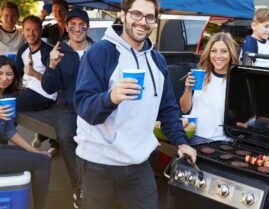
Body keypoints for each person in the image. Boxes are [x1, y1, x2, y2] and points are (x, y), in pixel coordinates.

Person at [73, 0, 197, 208]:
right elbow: (84, 107)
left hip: (138, 164)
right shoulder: (100, 53)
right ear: (123, 15)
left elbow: (167, 110)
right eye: (136, 14)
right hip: (98, 163)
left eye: (149, 17)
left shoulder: (157, 61)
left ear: (155, 21)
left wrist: (181, 142)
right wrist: (111, 97)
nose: (143, 22)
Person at [41, 8, 93, 209]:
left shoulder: (97, 50)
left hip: (92, 106)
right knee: (64, 136)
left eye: (82, 25)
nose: (77, 29)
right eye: (73, 25)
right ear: (67, 27)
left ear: (88, 27)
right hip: (67, 107)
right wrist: (52, 65)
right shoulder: (59, 51)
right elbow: (49, 87)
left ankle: (99, 183)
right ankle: (80, 187)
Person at [0, 55, 51, 209]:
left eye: (9, 74)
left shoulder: (5, 97)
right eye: (0, 73)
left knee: (42, 158)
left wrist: (35, 151)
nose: (4, 78)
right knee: (42, 164)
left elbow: (10, 133)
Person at [180, 32, 238, 143]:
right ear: (208, 53)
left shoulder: (235, 81)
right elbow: (184, 109)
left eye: (224, 51)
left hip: (219, 141)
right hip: (193, 136)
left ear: (231, 54)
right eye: (214, 51)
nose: (218, 56)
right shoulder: (200, 75)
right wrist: (188, 89)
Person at [15, 15, 58, 155]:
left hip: (44, 94)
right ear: (23, 31)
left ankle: (22, 148)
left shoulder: (48, 52)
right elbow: (17, 75)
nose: (31, 34)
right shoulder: (22, 50)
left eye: (35, 30)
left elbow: (52, 83)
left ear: (40, 31)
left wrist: (34, 73)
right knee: (5, 100)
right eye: (28, 29)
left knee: (8, 106)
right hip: (27, 89)